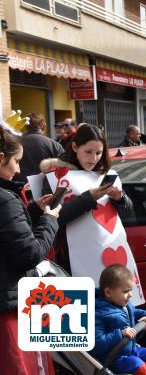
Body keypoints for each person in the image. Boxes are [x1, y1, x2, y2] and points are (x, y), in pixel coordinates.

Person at [35, 124, 142, 304]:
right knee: (88, 315)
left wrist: (120, 198)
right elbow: (51, 217)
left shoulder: (107, 174)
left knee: (120, 313)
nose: (94, 158)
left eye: (99, 153)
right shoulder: (55, 177)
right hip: (72, 261)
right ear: (75, 147)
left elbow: (128, 214)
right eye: (88, 152)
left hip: (114, 256)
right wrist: (88, 198)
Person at [0, 119, 61, 375]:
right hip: (10, 308)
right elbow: (29, 254)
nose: (17, 170)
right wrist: (49, 219)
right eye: (16, 162)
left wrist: (33, 210)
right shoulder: (5, 200)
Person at [91, 264, 146, 375]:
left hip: (130, 350)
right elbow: (96, 343)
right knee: (136, 363)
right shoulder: (97, 314)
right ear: (108, 292)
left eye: (130, 290)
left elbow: (134, 312)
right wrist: (120, 334)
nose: (130, 295)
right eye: (125, 291)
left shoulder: (124, 305)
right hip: (113, 359)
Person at [15, 113, 64, 183]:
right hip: (47, 188)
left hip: (19, 186)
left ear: (25, 126)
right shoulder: (54, 145)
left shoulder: (16, 143)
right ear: (43, 124)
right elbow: (64, 168)